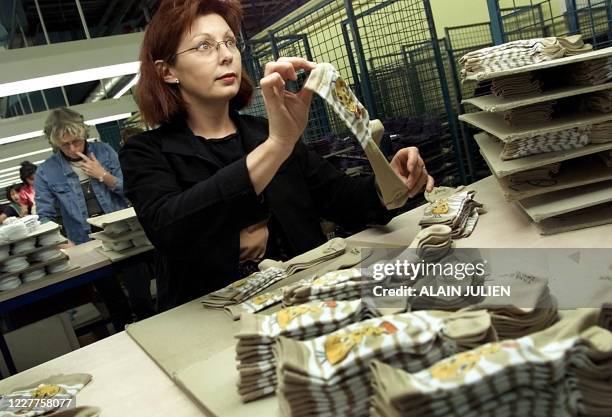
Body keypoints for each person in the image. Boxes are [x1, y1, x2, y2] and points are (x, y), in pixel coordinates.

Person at [119, 0, 434, 311]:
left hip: (309, 301)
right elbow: (171, 230)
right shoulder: (145, 152)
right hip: (217, 321)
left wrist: (387, 182)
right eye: (204, 46)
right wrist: (278, 144)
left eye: (230, 42)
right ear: (167, 71)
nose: (226, 55)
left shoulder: (264, 131)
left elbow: (341, 198)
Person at [35, 107, 155, 327]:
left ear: (84, 134)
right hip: (85, 242)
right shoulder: (46, 171)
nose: (72, 148)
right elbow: (44, 216)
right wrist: (60, 241)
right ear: (54, 144)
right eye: (65, 145)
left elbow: (132, 189)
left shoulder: (104, 152)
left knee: (141, 296)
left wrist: (103, 175)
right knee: (114, 302)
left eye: (77, 141)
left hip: (124, 235)